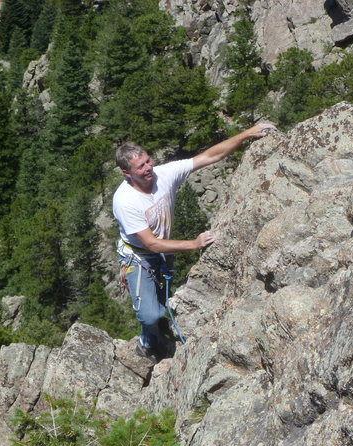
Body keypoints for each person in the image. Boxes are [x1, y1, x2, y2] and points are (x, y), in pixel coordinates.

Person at [113, 123, 276, 361]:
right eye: (141, 167)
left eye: (149, 161)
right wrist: (195, 244)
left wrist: (248, 133)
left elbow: (210, 156)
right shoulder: (125, 201)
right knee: (150, 315)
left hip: (161, 249)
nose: (149, 168)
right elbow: (151, 244)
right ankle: (146, 343)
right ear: (127, 173)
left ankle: (158, 329)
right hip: (140, 256)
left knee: (161, 301)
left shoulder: (164, 174)